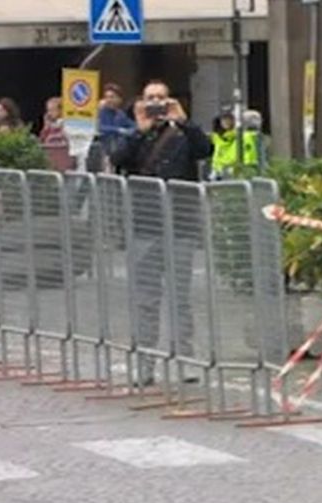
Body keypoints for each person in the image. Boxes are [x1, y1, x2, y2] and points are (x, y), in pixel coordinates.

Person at [111, 80, 213, 387]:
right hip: (145, 224)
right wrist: (140, 130)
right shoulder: (133, 135)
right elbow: (117, 158)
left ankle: (186, 360)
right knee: (146, 299)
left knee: (180, 297)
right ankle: (145, 364)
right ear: (140, 103)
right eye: (150, 99)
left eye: (161, 99)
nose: (156, 104)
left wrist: (185, 121)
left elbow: (205, 150)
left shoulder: (184, 134)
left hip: (180, 223)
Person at [98, 83, 136, 161]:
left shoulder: (120, 114)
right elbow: (98, 127)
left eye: (112, 97)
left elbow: (133, 126)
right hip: (102, 150)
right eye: (106, 97)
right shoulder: (100, 112)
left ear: (119, 99)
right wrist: (118, 130)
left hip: (117, 151)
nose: (109, 100)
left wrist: (131, 131)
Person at [39, 97, 73, 172]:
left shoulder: (67, 125)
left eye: (52, 110)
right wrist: (46, 127)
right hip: (50, 161)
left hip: (63, 161)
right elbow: (42, 141)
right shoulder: (48, 127)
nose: (49, 113)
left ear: (61, 110)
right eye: (48, 110)